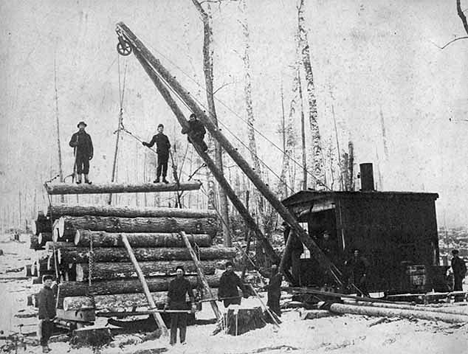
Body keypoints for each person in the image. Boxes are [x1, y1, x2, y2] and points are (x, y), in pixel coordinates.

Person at [166, 266, 196, 346]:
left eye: (180, 271)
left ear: (183, 273)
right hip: (173, 304)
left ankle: (182, 340)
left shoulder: (186, 282)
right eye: (178, 271)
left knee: (183, 323)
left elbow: (191, 294)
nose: (179, 273)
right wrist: (166, 304)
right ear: (176, 273)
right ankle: (172, 341)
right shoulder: (172, 282)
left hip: (182, 304)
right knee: (173, 323)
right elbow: (169, 294)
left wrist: (193, 304)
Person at [37, 275, 56, 353]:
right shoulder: (42, 291)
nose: (49, 282)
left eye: (50, 281)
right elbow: (42, 305)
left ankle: (46, 346)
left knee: (49, 332)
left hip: (51, 315)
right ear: (44, 282)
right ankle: (44, 347)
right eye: (47, 281)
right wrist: (45, 316)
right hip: (45, 316)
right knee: (44, 332)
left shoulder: (50, 291)